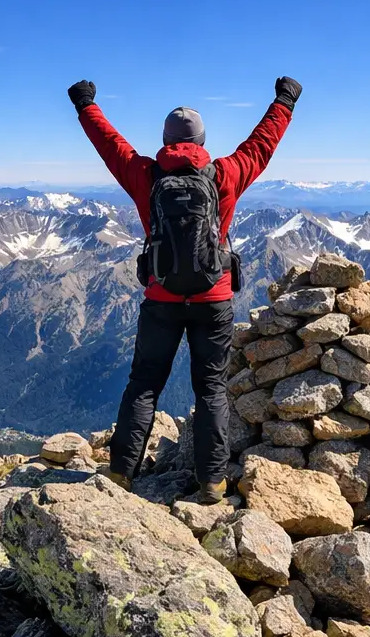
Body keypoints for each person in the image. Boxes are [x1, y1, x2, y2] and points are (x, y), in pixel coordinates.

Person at [69, 76, 302, 503]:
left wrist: (85, 105)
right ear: (203, 141)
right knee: (211, 388)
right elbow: (262, 144)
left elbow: (109, 144)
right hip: (213, 299)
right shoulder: (226, 174)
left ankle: (120, 473)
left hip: (161, 300)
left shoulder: (145, 175)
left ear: (164, 140)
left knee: (144, 383)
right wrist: (284, 100)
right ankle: (212, 482)